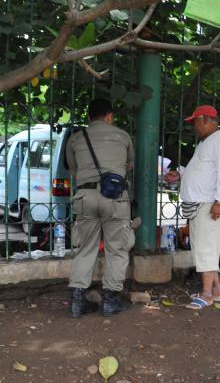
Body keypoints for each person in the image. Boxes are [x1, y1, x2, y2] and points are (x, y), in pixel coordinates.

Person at [67, 98, 135, 318]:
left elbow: (74, 171)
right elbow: (129, 166)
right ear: (109, 116)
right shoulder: (123, 136)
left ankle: (78, 301)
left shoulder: (76, 138)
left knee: (85, 248)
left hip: (85, 197)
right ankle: (111, 301)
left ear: (89, 117)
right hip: (114, 198)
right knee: (117, 248)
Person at [164, 105, 220, 309]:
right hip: (201, 204)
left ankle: (206, 294)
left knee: (206, 250)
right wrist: (181, 175)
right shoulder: (207, 142)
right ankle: (216, 291)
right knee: (204, 249)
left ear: (206, 120)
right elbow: (204, 172)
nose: (194, 126)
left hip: (209, 204)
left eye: (195, 121)